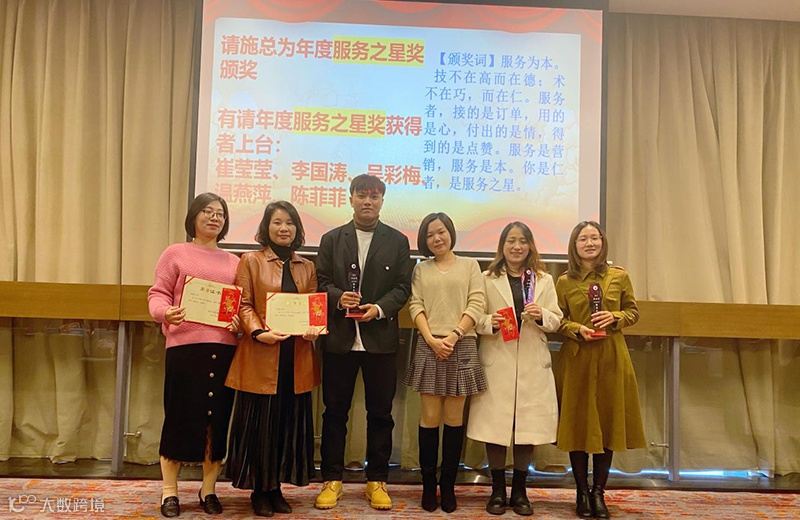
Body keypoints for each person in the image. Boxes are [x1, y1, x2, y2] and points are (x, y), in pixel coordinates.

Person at [314, 174, 412, 511]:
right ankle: (332, 480)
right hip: (339, 340)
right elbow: (321, 281)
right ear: (351, 198)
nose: (367, 201)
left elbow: (403, 287)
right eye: (361, 195)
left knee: (381, 414)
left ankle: (377, 481)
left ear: (382, 201)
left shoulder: (397, 241)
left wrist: (379, 308)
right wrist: (338, 298)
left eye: (374, 196)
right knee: (334, 413)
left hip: (380, 340)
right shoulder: (331, 239)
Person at [224, 201, 321, 517]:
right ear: (266, 227)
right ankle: (259, 490)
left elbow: (313, 309)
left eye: (290, 223)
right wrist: (257, 332)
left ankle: (276, 487)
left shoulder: (307, 266)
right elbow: (243, 303)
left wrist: (314, 329)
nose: (284, 228)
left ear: (297, 229)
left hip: (296, 358)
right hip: (262, 354)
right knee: (261, 426)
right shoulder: (250, 261)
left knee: (285, 424)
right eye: (277, 222)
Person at [147, 192, 241, 518]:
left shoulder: (235, 262)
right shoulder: (176, 253)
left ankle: (209, 489)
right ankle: (169, 491)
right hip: (185, 348)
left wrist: (240, 322)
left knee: (217, 420)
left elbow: (240, 305)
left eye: (220, 214)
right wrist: (165, 313)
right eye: (207, 212)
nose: (214, 218)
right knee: (179, 416)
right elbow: (158, 294)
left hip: (224, 348)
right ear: (194, 217)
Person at [468, 221, 563, 516]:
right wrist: (490, 322)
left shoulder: (544, 280)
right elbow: (474, 316)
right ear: (502, 246)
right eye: (511, 240)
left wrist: (542, 314)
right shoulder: (486, 278)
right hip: (497, 358)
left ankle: (520, 492)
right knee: (495, 427)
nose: (517, 246)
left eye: (522, 241)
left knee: (526, 428)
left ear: (530, 245)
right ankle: (497, 491)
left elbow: (557, 319)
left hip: (532, 362)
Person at [554, 221, 646, 519]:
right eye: (583, 239)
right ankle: (581, 492)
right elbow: (557, 320)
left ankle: (598, 492)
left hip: (611, 357)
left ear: (602, 242)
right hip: (577, 359)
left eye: (595, 237)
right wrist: (575, 328)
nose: (590, 243)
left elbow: (633, 312)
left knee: (607, 423)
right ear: (574, 245)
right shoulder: (564, 281)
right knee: (578, 425)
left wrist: (615, 316)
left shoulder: (619, 276)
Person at [402, 212, 487, 514]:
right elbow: (415, 304)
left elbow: (477, 303)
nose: (436, 238)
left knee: (454, 419)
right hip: (429, 346)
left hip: (461, 344)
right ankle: (428, 485)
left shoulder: (470, 265)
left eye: (441, 232)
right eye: (429, 235)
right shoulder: (420, 269)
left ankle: (448, 486)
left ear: (451, 232)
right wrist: (431, 339)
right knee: (429, 418)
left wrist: (453, 336)